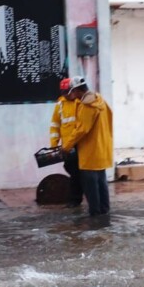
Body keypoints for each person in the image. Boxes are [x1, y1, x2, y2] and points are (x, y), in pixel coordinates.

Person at [63, 75, 113, 217]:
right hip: (102, 149)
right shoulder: (100, 100)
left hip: (90, 152)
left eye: (72, 92)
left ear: (77, 91)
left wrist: (66, 145)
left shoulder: (87, 106)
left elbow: (81, 130)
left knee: (90, 187)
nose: (72, 96)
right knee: (101, 183)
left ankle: (95, 216)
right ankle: (105, 212)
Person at [49, 77, 84, 207]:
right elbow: (55, 125)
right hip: (67, 146)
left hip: (80, 144)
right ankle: (77, 196)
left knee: (77, 172)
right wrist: (54, 145)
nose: (65, 94)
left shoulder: (80, 102)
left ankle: (75, 199)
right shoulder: (60, 104)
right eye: (63, 91)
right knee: (71, 169)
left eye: (67, 91)